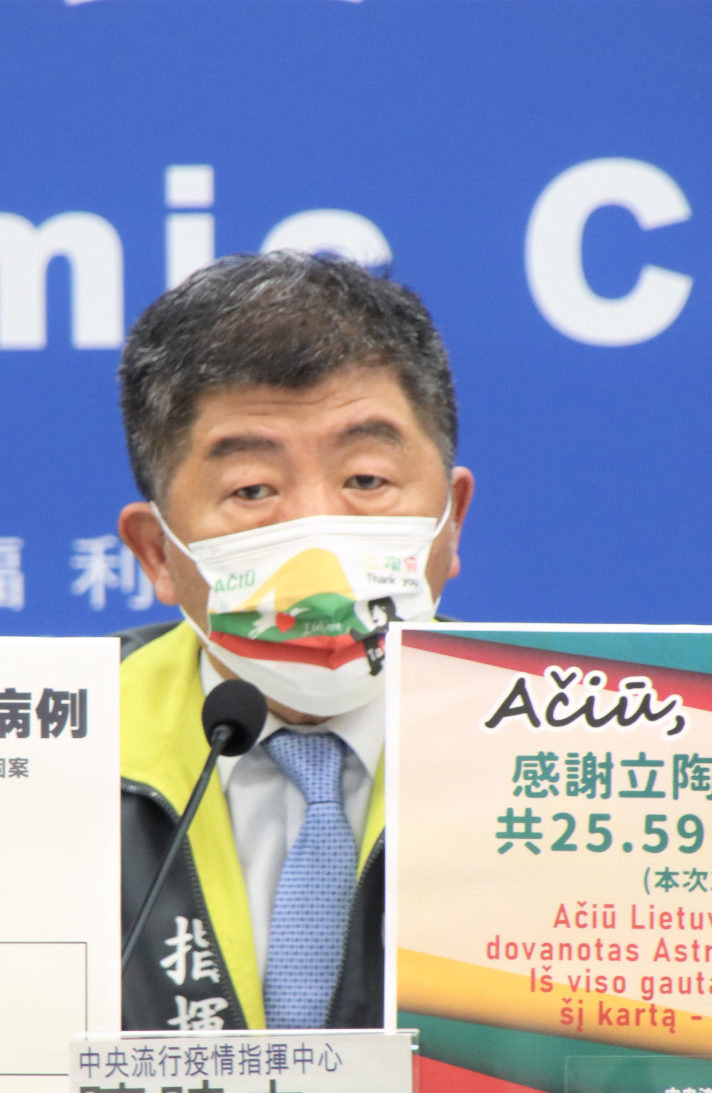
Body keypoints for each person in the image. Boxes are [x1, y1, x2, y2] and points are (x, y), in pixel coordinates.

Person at [110, 250, 474, 1034]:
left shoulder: (583, 752)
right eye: (253, 490)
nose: (317, 539)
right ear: (156, 552)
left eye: (366, 480)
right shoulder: (50, 749)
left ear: (453, 521)